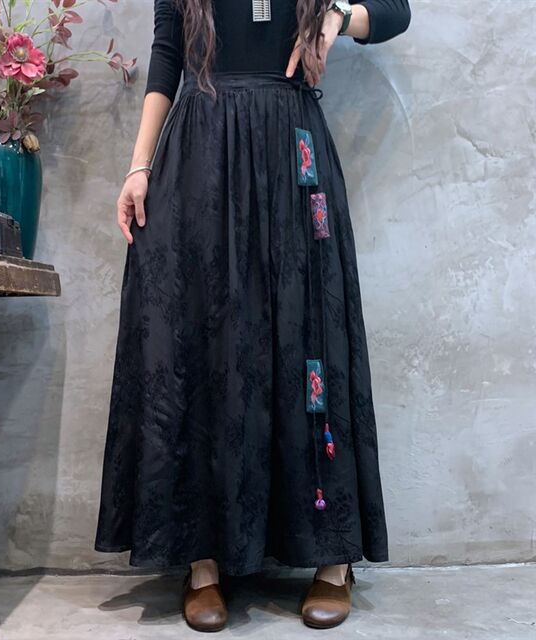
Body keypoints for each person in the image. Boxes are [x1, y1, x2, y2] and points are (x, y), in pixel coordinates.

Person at [95, 0, 411, 632]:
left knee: (310, 334)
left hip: (292, 155)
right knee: (201, 341)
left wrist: (337, 16)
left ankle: (332, 555)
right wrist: (138, 166)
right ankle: (203, 561)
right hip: (201, 152)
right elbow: (167, 53)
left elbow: (395, 12)